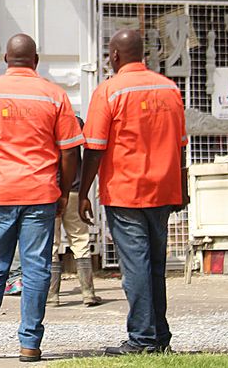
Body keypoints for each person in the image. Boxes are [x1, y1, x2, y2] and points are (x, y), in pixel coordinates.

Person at [0, 34, 84, 363]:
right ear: (36, 60)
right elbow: (70, 148)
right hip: (41, 193)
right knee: (36, 270)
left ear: (5, 59)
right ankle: (29, 345)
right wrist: (65, 189)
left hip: (0, 193)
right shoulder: (54, 95)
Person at [78, 29, 187, 355]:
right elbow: (181, 145)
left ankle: (141, 339)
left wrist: (83, 192)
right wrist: (180, 186)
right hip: (163, 191)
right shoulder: (169, 89)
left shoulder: (109, 92)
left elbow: (94, 148)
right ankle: (159, 337)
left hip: (126, 193)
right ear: (144, 55)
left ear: (114, 55)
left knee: (136, 267)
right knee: (155, 265)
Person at [47, 124, 102, 308]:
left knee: (51, 245)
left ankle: (52, 295)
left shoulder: (45, 125)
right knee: (80, 241)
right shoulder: (77, 123)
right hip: (74, 191)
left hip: (51, 191)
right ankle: (88, 293)